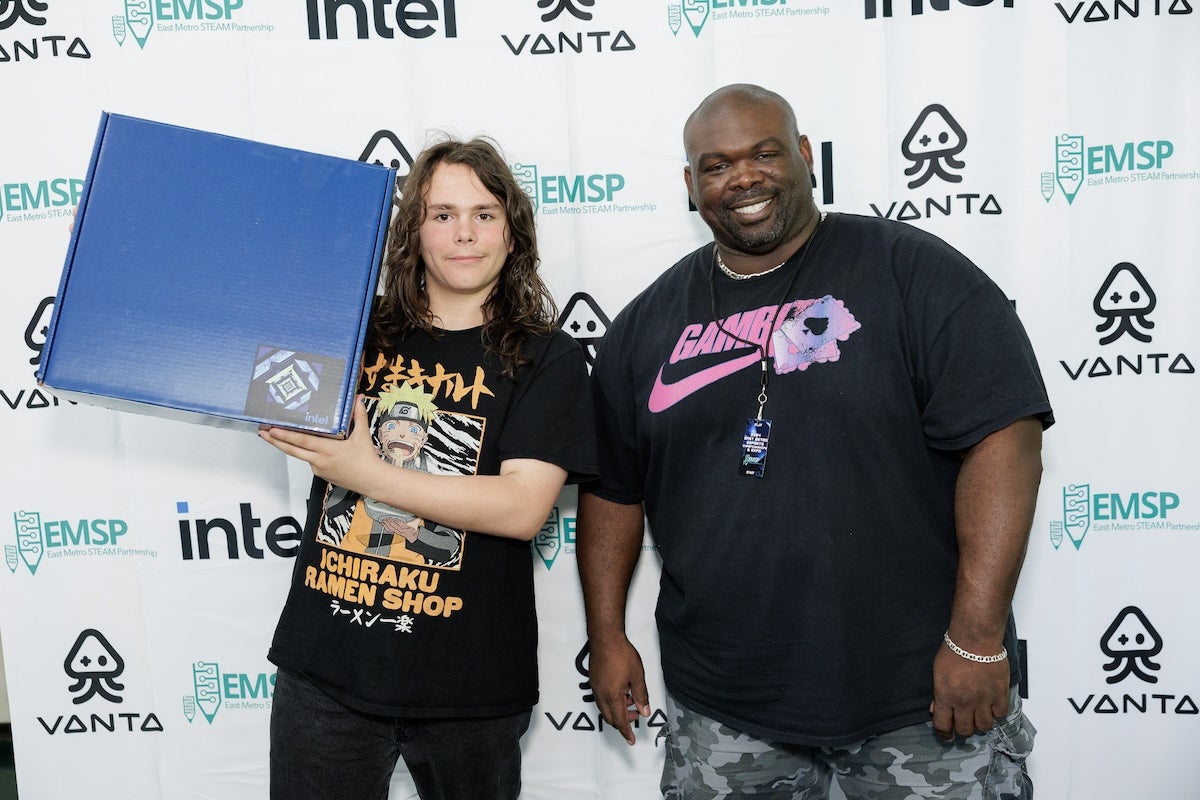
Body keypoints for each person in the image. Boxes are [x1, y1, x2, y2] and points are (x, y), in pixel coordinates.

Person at [577, 83, 1053, 799]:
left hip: (919, 694)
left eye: (764, 153)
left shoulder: (912, 271)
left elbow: (1005, 439)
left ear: (804, 156)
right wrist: (608, 637)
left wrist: (976, 635)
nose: (742, 176)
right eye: (715, 165)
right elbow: (613, 490)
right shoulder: (647, 325)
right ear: (690, 184)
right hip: (725, 704)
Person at [260, 136, 597, 800]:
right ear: (414, 231)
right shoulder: (353, 331)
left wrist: (366, 471)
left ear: (512, 231)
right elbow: (251, 368)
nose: (464, 234)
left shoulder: (546, 356)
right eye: (442, 214)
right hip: (326, 676)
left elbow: (523, 507)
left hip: (469, 688)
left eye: (484, 213)